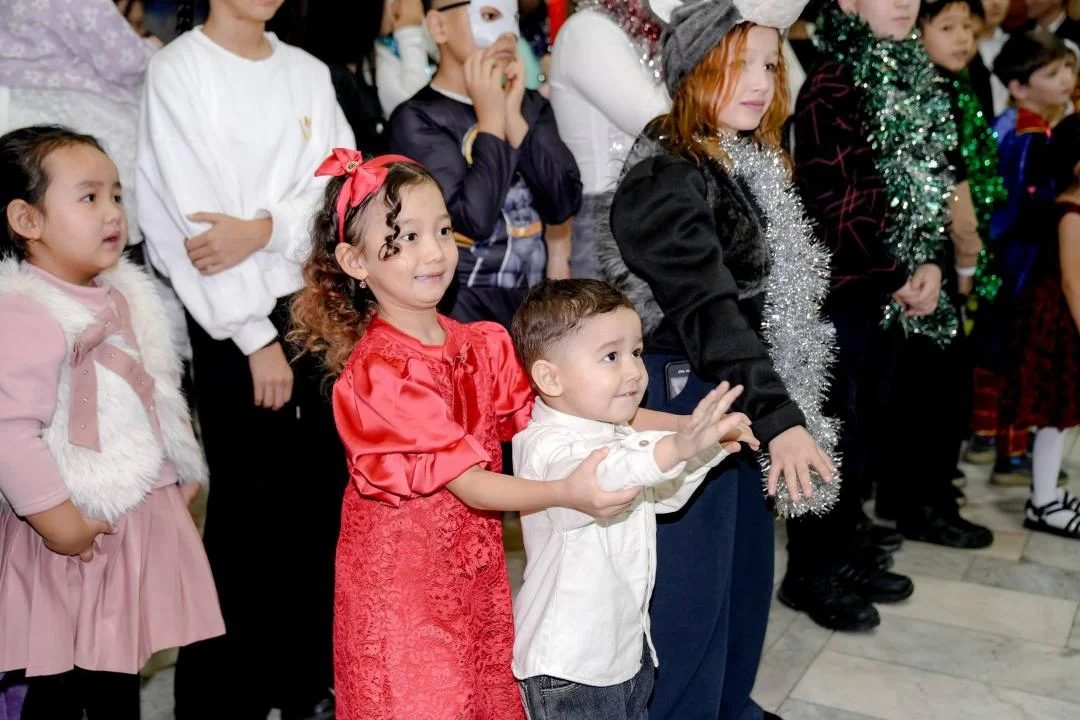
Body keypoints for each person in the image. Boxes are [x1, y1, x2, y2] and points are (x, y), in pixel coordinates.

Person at [287, 151, 644, 719]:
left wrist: (684, 429)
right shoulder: (381, 372)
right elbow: (471, 484)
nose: (433, 252)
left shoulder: (480, 345)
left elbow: (564, 412)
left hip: (474, 571)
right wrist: (566, 492)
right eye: (405, 238)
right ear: (355, 261)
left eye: (442, 230)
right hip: (402, 592)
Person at [601, 1, 841, 716]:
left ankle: (732, 707)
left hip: (738, 391)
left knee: (743, 580)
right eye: (739, 64)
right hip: (687, 398)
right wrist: (779, 416)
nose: (761, 82)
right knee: (691, 601)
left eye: (769, 63)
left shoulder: (743, 159)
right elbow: (708, 309)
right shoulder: (664, 174)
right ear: (693, 67)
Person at [135, 0, 355, 716]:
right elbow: (193, 230)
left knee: (319, 503)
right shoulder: (179, 69)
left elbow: (338, 185)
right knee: (248, 516)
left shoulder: (307, 71)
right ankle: (220, 700)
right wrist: (254, 336)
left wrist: (263, 228)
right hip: (231, 323)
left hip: (317, 308)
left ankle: (306, 685)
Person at [0, 125, 223, 719]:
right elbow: (9, 434)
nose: (113, 213)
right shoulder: (24, 311)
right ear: (27, 219)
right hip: (69, 525)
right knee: (62, 680)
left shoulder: (123, 295)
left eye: (117, 196)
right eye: (89, 197)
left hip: (133, 518)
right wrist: (61, 525)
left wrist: (177, 467)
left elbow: (156, 387)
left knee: (118, 668)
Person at [510, 279, 758, 720]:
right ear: (550, 377)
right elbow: (610, 475)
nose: (634, 372)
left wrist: (708, 449)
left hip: (623, 652)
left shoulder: (614, 432)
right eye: (611, 356)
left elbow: (662, 497)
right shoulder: (545, 447)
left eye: (637, 352)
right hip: (570, 669)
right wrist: (678, 444)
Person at [389, 0, 582, 328]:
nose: (507, 34)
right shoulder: (418, 118)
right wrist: (492, 120)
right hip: (460, 316)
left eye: (513, 18)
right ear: (438, 27)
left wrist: (512, 116)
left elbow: (563, 203)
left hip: (532, 316)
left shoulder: (530, 105)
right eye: (490, 16)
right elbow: (472, 219)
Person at [972, 29, 1074, 484]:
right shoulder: (1026, 132)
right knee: (1015, 353)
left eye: (1067, 68)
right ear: (1018, 85)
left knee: (998, 348)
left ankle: (989, 438)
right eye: (1051, 73)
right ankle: (1009, 454)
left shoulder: (1015, 122)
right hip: (1020, 258)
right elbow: (1023, 200)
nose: (1066, 79)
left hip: (1007, 254)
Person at [548, 0, 669, 280]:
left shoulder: (640, 31)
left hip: (641, 206)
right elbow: (655, 119)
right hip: (605, 218)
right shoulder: (587, 30)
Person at [1004, 112, 1080, 537]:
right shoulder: (1071, 212)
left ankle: (1047, 492)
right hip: (1059, 325)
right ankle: (1044, 503)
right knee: (1053, 417)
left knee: (1061, 418)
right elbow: (1072, 281)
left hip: (1064, 321)